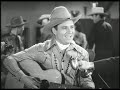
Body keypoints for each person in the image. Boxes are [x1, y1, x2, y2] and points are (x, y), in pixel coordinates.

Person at [3, 6, 95, 89]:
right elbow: (9, 59)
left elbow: (86, 79)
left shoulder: (82, 54)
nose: (70, 31)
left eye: (71, 27)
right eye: (64, 28)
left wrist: (89, 86)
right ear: (54, 31)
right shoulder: (39, 49)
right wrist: (23, 78)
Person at [1, 16, 27, 88]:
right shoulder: (4, 39)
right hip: (8, 73)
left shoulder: (19, 38)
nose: (23, 29)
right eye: (22, 26)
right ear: (18, 27)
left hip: (18, 73)